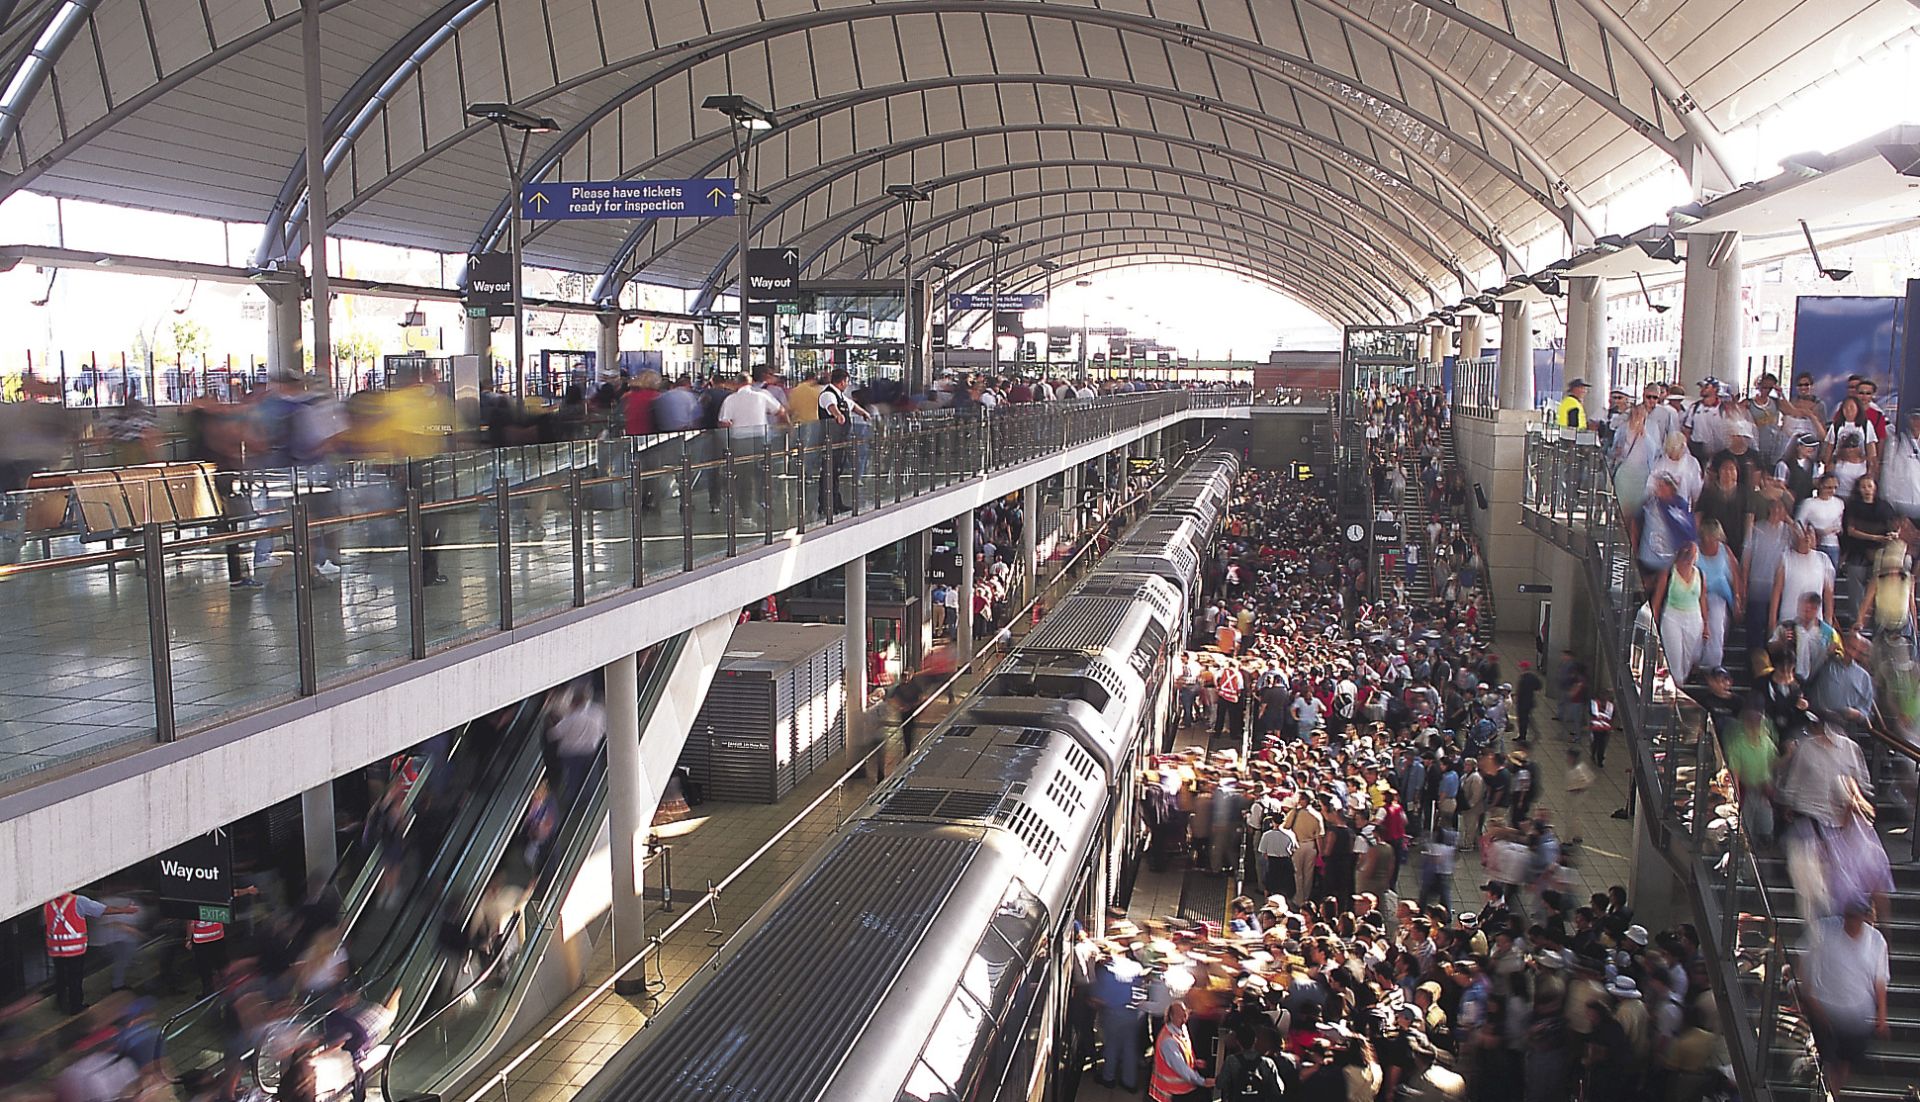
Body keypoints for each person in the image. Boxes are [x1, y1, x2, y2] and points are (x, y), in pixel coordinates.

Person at [1801, 899, 1890, 1094]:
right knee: (1832, 1059)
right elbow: (1805, 956)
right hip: (1825, 1010)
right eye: (1849, 916)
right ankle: (1827, 1092)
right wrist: (1809, 995)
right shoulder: (1828, 930)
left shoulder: (1876, 941)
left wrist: (1881, 1016)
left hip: (1857, 1015)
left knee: (1843, 1061)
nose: (1852, 921)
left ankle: (1831, 1093)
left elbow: (1880, 980)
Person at [43, 890, 138, 1014]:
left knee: (60, 977)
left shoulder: (48, 904)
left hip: (56, 949)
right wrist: (125, 910)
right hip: (74, 949)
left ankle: (60, 1002)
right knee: (75, 979)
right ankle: (75, 1006)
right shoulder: (78, 901)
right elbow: (103, 910)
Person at [1651, 541, 1707, 685]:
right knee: (1674, 658)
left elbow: (1702, 600)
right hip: (1672, 617)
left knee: (1687, 660)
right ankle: (1677, 687)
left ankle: (1680, 684)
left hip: (1694, 619)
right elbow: (1657, 600)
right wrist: (1653, 620)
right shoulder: (1669, 572)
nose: (1690, 556)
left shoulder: (1700, 574)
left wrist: (1706, 624)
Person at [1148, 999, 1213, 1100]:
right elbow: (1181, 1068)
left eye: (1185, 1014)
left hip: (1183, 1088)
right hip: (1172, 1093)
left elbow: (1185, 1053)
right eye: (1180, 1015)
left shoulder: (1182, 1028)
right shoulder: (1168, 1042)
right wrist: (1202, 1081)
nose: (1184, 1018)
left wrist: (1194, 1062)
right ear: (1171, 1017)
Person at [817, 368, 854, 517]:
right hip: (830, 440)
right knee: (828, 472)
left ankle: (836, 502)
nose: (847, 384)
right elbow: (831, 406)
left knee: (835, 472)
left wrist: (864, 413)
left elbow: (852, 405)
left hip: (840, 441)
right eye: (847, 381)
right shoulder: (827, 394)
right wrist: (838, 415)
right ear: (842, 381)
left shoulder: (841, 396)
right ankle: (826, 505)